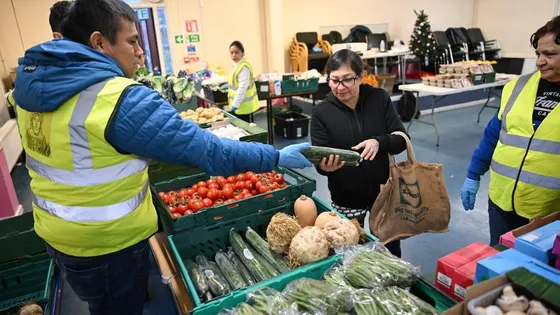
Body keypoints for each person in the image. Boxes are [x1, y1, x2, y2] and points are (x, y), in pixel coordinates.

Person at [12, 0, 311, 314]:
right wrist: (274, 157)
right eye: (132, 40)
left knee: (99, 304)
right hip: (107, 245)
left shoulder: (33, 86)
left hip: (55, 233)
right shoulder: (115, 98)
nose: (139, 50)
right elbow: (209, 150)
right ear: (99, 42)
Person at [461, 16, 560, 246]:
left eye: (550, 54)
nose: (539, 62)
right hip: (502, 201)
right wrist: (473, 174)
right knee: (499, 261)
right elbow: (493, 135)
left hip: (547, 210)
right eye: (538, 54)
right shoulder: (517, 87)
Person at [310, 49, 408, 257]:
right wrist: (324, 167)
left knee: (389, 251)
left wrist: (379, 142)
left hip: (383, 193)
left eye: (347, 80)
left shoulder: (379, 98)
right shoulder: (322, 112)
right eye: (334, 80)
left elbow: (401, 140)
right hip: (346, 197)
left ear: (360, 77)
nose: (340, 87)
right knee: (349, 253)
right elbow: (319, 161)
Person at [228, 41, 259, 122]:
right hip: (239, 105)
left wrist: (235, 104)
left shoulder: (243, 67)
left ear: (242, 53)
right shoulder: (236, 64)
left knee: (244, 130)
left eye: (236, 52)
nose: (233, 55)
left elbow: (242, 88)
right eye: (231, 52)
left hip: (243, 105)